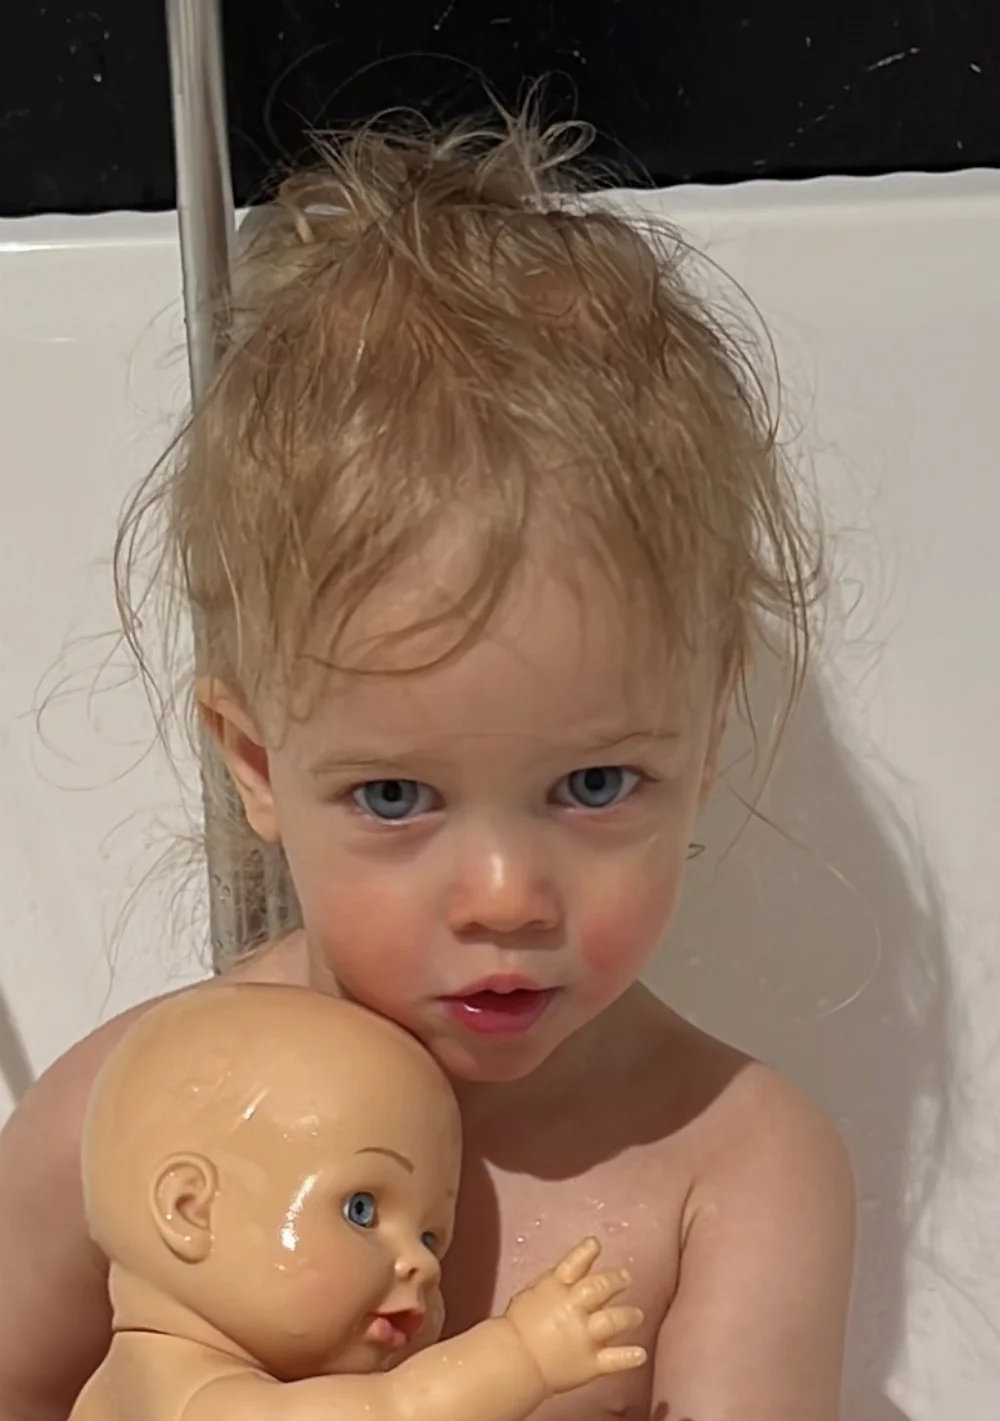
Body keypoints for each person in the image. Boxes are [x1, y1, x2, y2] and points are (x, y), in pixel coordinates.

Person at [0, 106, 855, 1421]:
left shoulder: (732, 1171)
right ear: (255, 763)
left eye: (594, 783)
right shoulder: (117, 1119)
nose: (504, 895)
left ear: (705, 736)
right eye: (396, 796)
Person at [70, 982, 645, 1421]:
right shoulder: (199, 1404)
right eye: (361, 1210)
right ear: (190, 1210)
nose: (422, 1265)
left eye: (430, 1238)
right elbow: (393, 1412)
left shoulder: (125, 1389)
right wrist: (523, 1355)